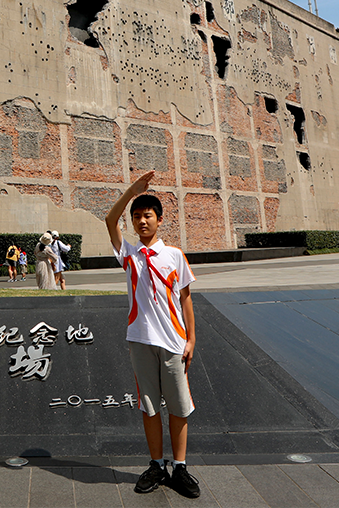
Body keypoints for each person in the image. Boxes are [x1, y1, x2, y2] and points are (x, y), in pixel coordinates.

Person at [104, 170, 199, 498]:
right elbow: (108, 219)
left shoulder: (174, 255)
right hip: (140, 341)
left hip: (173, 343)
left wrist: (191, 339)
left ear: (159, 220)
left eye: (147, 216)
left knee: (178, 406)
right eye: (136, 217)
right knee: (149, 407)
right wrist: (132, 191)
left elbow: (186, 299)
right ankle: (156, 464)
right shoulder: (129, 254)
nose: (141, 221)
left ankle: (180, 467)